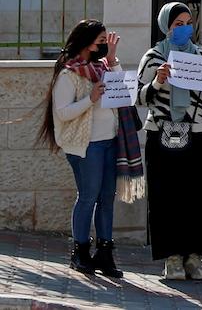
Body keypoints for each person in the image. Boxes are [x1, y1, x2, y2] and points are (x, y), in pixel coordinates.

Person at [38, 19, 144, 278]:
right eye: (101, 42)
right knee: (88, 197)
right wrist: (90, 99)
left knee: (107, 198)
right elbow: (62, 113)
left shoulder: (103, 67)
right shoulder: (69, 73)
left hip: (110, 142)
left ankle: (105, 253)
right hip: (85, 146)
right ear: (87, 43)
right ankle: (80, 252)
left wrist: (113, 58)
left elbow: (123, 93)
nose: (104, 46)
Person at [136, 2, 202, 281]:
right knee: (167, 197)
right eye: (178, 24)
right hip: (163, 133)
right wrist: (159, 81)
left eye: (188, 22)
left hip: (196, 133)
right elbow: (139, 97)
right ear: (166, 27)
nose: (185, 28)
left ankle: (194, 259)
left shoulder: (199, 55)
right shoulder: (153, 57)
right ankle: (172, 259)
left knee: (196, 197)